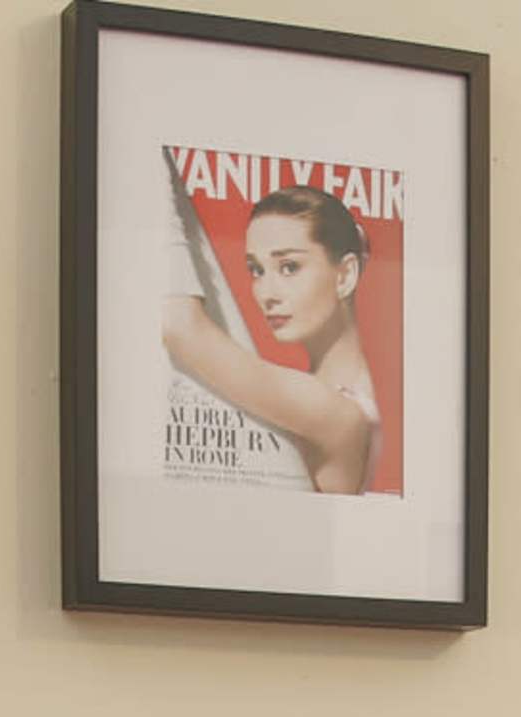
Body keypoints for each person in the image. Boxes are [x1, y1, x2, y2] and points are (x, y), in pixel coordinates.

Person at [161, 179, 382, 496]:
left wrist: (159, 192)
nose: (266, 293)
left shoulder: (339, 414)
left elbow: (181, 326)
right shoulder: (332, 398)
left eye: (289, 267)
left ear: (345, 275)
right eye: (257, 270)